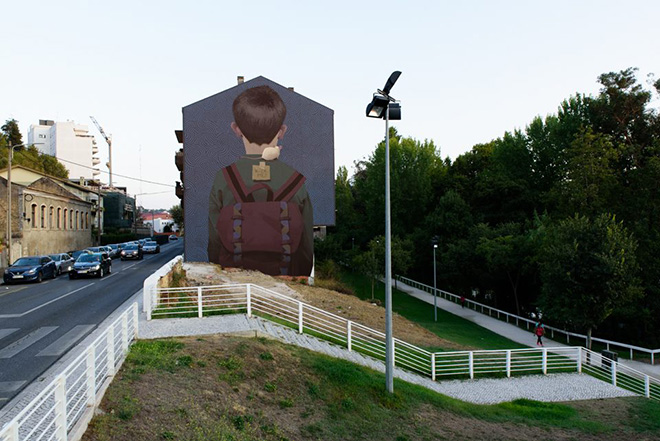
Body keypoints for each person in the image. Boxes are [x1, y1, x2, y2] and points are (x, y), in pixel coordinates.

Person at [207, 85, 314, 276]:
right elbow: (306, 246)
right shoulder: (296, 181)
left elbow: (215, 239)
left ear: (236, 129)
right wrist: (301, 276)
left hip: (236, 283)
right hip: (284, 281)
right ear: (282, 131)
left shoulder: (223, 178)